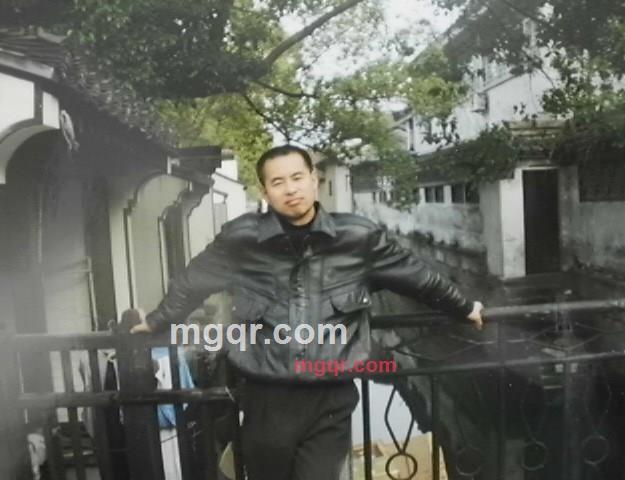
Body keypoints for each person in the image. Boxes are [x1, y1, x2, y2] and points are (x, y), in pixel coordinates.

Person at [131, 144, 484, 480]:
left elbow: (417, 277)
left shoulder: (358, 237)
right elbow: (193, 281)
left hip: (331, 394)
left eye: (297, 177)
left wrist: (464, 307)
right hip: (266, 395)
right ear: (265, 191)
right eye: (278, 182)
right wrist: (157, 320)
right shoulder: (241, 239)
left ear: (314, 179)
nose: (290, 189)